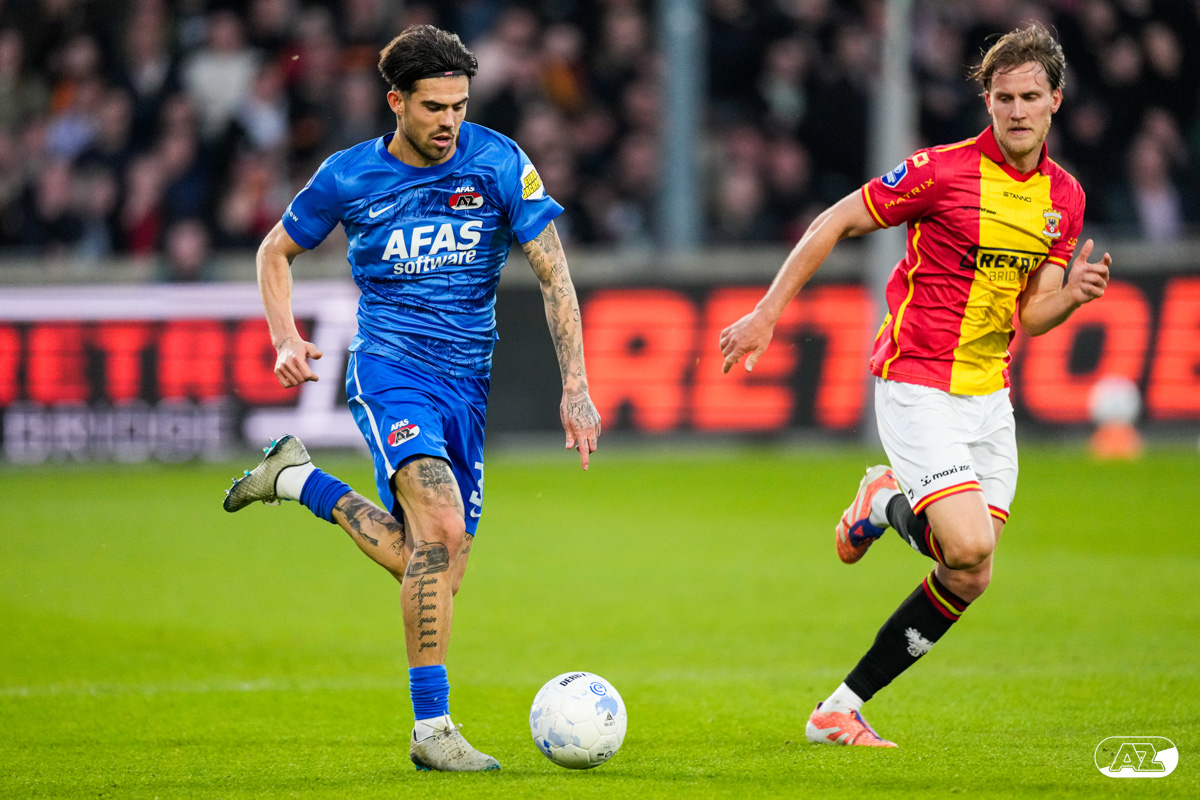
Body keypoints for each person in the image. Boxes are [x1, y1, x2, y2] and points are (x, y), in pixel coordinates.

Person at [222, 25, 600, 772]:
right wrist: (285, 336)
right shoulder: (348, 175)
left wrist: (577, 384)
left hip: (467, 384)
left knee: (439, 566)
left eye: (460, 105)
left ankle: (298, 480)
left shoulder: (499, 161)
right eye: (433, 107)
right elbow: (275, 250)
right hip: (391, 373)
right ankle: (433, 729)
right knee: (441, 530)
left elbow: (554, 273)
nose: (449, 121)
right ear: (396, 101)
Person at [719, 24, 1110, 747]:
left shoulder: (1065, 197)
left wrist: (1074, 297)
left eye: (1030, 97)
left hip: (988, 396)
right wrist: (767, 313)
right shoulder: (941, 171)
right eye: (1003, 98)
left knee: (971, 573)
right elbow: (836, 219)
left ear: (1055, 100)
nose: (1017, 111)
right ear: (987, 101)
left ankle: (838, 710)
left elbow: (1033, 314)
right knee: (965, 543)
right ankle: (882, 499)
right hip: (917, 382)